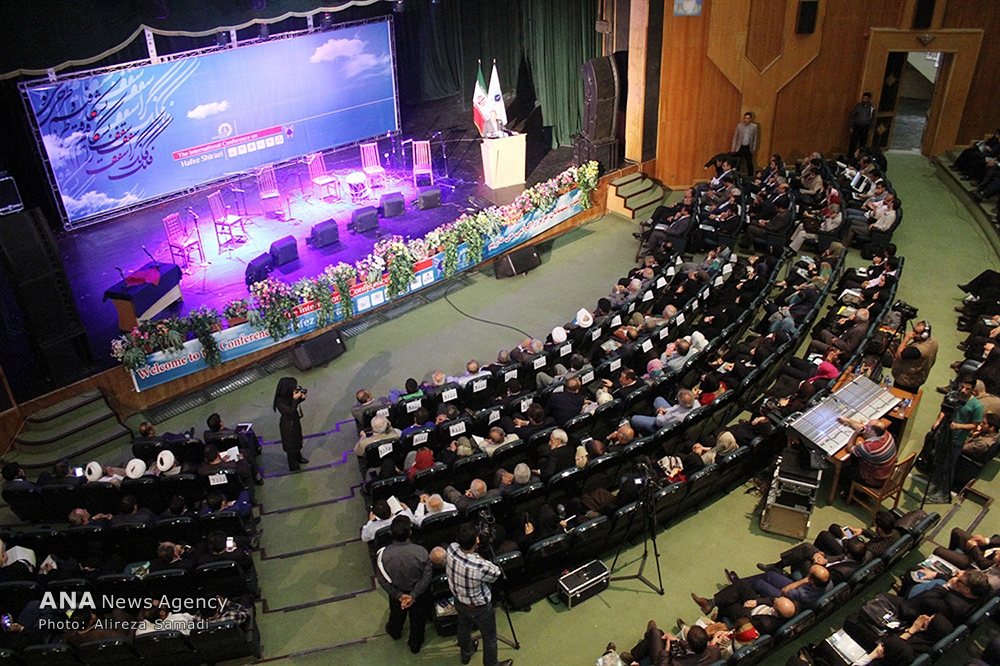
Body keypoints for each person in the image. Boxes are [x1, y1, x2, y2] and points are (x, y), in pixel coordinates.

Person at [446, 523, 512, 666]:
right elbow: (496, 573)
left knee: (463, 627)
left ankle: (466, 653)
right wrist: (480, 556)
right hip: (479, 608)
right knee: (490, 638)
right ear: (477, 540)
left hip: (459, 601)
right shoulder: (480, 565)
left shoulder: (451, 548)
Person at [375, 515, 433, 654]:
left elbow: (382, 579)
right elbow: (427, 576)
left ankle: (394, 632)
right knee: (418, 620)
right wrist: (413, 595)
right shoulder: (420, 552)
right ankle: (415, 644)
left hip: (397, 593)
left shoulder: (383, 555)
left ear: (391, 532)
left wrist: (399, 595)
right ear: (410, 532)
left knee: (396, 615)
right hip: (419, 594)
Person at [927, 376, 983, 503]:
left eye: (967, 389)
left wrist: (959, 426)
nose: (963, 390)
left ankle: (944, 493)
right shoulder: (953, 396)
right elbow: (944, 410)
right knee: (938, 461)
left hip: (956, 440)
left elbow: (975, 425)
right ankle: (935, 483)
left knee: (948, 466)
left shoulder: (976, 406)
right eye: (962, 387)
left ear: (973, 389)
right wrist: (938, 421)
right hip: (944, 434)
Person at [835, 416, 897, 489]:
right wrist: (847, 420)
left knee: (844, 471)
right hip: (887, 472)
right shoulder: (887, 434)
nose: (865, 426)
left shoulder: (869, 448)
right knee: (854, 457)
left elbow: (849, 448)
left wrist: (855, 433)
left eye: (868, 426)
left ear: (872, 432)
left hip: (875, 479)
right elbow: (862, 427)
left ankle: (850, 492)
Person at [891, 319, 938, 393]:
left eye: (916, 332)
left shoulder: (916, 350)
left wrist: (906, 339)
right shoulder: (933, 342)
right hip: (918, 378)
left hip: (905, 380)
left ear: (924, 335)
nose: (912, 333)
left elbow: (899, 355)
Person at [273, 377, 307, 472]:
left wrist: (301, 398)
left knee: (297, 440)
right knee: (291, 446)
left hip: (294, 422)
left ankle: (299, 457)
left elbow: (293, 405)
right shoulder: (280, 402)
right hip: (288, 426)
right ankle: (294, 467)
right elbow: (291, 411)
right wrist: (295, 399)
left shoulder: (288, 396)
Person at [731, 111, 760, 178]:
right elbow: (735, 137)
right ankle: (737, 175)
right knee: (737, 162)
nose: (746, 120)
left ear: (751, 119)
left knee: (749, 162)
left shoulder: (754, 127)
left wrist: (754, 149)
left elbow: (755, 138)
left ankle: (750, 176)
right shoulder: (739, 126)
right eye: (745, 118)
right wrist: (733, 147)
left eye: (748, 118)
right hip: (740, 146)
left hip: (748, 147)